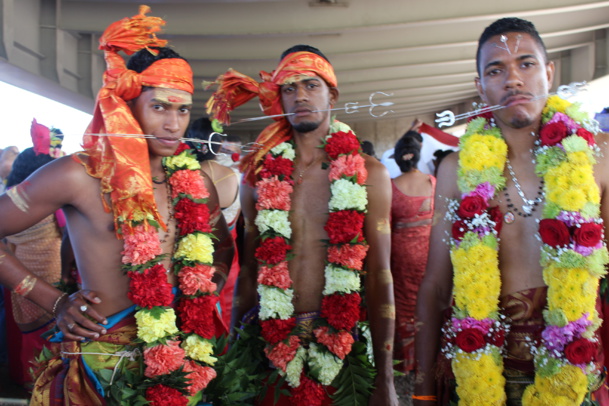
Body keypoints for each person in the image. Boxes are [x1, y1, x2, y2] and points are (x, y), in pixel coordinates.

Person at [0, 6, 233, 405]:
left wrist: (197, 297)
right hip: (100, 368)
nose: (174, 124)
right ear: (127, 107)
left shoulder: (195, 184)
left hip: (180, 364)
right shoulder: (79, 175)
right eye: (159, 107)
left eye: (181, 109)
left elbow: (222, 252)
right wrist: (53, 301)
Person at [414, 17, 609, 406]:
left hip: (576, 375)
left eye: (526, 63)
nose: (513, 80)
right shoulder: (456, 170)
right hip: (481, 372)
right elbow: (436, 285)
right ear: (480, 87)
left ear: (549, 73)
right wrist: (421, 392)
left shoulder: (597, 157)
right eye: (496, 70)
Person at [207, 44, 398, 406]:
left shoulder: (370, 173)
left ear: (332, 94)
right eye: (289, 89)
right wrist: (234, 358)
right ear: (279, 98)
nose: (300, 97)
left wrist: (385, 379)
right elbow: (248, 270)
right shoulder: (259, 176)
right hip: (268, 348)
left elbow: (380, 275)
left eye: (311, 85)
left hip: (344, 354)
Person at [3, 121, 66, 389]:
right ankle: (42, 385)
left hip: (13, 274)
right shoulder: (50, 202)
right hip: (47, 277)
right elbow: (68, 235)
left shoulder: (10, 198)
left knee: (19, 330)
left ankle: (22, 378)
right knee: (45, 335)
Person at [390, 134, 435, 404]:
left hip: (400, 259)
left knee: (404, 308)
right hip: (431, 257)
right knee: (430, 304)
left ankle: (405, 362)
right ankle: (429, 356)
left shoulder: (391, 187)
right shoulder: (434, 183)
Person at [187, 117, 241, 329]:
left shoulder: (184, 176)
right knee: (226, 315)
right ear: (219, 143)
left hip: (191, 259)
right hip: (229, 259)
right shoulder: (234, 175)